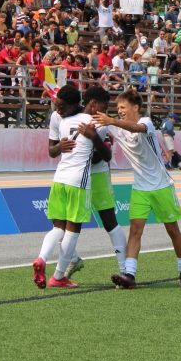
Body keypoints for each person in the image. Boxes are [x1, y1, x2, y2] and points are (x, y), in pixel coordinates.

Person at [93, 90, 181, 289]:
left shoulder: (145, 122)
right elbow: (94, 123)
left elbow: (136, 128)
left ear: (135, 108)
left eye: (123, 107)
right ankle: (129, 275)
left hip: (161, 185)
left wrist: (111, 121)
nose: (120, 110)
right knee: (135, 230)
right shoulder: (115, 126)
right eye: (118, 107)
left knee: (172, 230)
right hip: (140, 187)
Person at [32, 85, 111, 289]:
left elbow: (56, 150)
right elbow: (106, 156)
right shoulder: (93, 123)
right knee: (72, 231)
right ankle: (58, 276)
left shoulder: (64, 122)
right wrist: (94, 137)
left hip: (59, 179)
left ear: (73, 105)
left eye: (61, 106)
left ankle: (41, 258)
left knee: (57, 227)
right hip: (78, 181)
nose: (57, 110)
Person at [52, 87, 128, 279]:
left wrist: (86, 146)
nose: (106, 111)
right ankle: (72, 259)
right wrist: (66, 149)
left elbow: (103, 156)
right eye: (105, 106)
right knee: (61, 225)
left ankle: (125, 270)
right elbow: (52, 150)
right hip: (73, 177)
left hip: (97, 175)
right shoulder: (59, 117)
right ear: (93, 103)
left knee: (109, 222)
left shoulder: (100, 124)